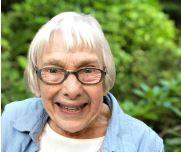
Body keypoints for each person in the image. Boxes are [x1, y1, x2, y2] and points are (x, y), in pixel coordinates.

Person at [1, 11, 164, 152]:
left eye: (87, 70)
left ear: (106, 74)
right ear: (36, 76)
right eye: (53, 70)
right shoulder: (13, 119)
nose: (72, 90)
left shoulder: (144, 143)